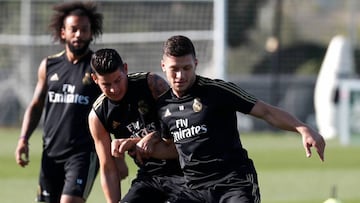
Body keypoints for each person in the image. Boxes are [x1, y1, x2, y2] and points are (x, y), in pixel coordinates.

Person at [113, 35, 326, 203]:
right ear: (163, 67)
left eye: (186, 68)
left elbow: (266, 112)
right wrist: (136, 144)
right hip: (193, 190)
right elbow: (173, 147)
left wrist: (302, 128)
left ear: (195, 63)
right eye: (174, 69)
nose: (180, 76)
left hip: (233, 184)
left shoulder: (217, 91)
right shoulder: (162, 107)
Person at [14, 2, 105, 203]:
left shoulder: (97, 68)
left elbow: (113, 110)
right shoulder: (48, 65)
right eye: (74, 29)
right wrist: (23, 139)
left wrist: (115, 156)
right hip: (51, 153)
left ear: (92, 33)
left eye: (84, 30)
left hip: (83, 154)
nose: (79, 34)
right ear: (63, 32)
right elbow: (36, 105)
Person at [88, 48, 185, 203]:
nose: (114, 89)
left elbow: (182, 125)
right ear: (94, 79)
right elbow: (107, 168)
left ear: (125, 69)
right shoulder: (98, 115)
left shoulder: (151, 84)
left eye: (118, 80)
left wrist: (153, 137)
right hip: (149, 176)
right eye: (106, 84)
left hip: (183, 171)